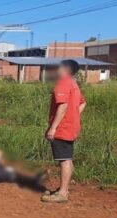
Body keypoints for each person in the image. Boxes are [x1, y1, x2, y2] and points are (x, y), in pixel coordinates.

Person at [42, 59, 86, 203]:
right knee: (67, 157)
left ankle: (62, 194)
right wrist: (73, 116)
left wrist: (53, 127)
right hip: (70, 126)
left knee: (64, 160)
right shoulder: (74, 84)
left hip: (63, 127)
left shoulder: (63, 82)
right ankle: (64, 189)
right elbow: (83, 103)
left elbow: (63, 106)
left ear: (65, 69)